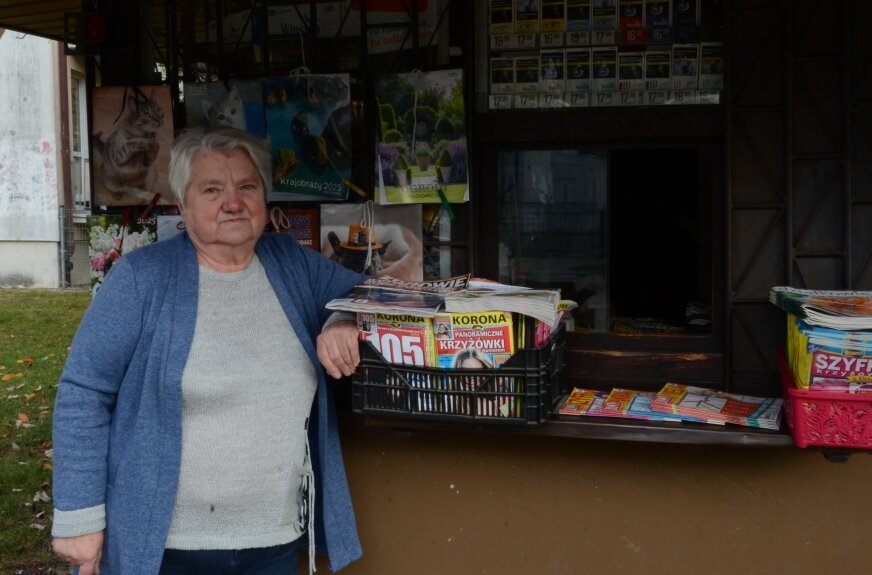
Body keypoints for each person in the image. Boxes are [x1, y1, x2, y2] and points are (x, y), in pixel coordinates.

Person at [50, 126, 367, 575]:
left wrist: (343, 319)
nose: (233, 202)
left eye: (247, 186)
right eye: (212, 189)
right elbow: (83, 392)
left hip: (274, 539)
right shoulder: (142, 279)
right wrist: (79, 518)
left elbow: (370, 293)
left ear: (264, 198)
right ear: (183, 205)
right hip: (165, 548)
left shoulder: (292, 263)